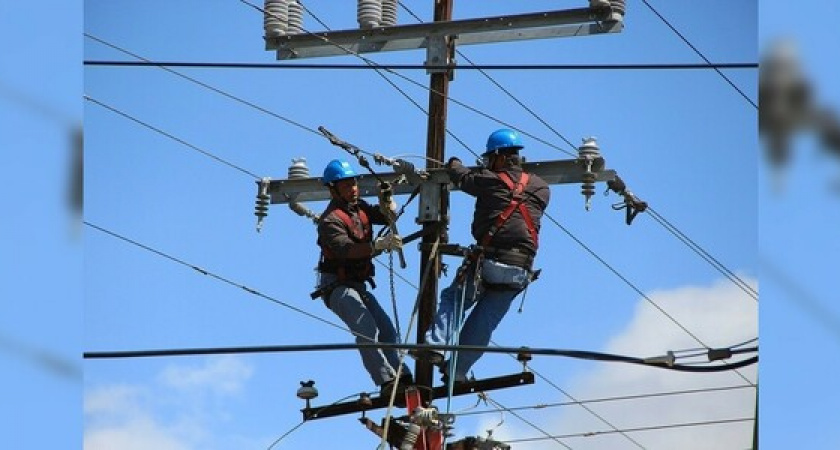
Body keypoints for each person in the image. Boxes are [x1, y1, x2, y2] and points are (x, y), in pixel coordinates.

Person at [423, 129, 550, 383]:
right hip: (520, 269)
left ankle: (435, 346)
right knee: (485, 321)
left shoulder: (490, 180)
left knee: (456, 299)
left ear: (500, 157)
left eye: (490, 159)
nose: (488, 164)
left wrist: (454, 163)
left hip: (489, 261)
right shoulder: (541, 187)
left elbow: (461, 177)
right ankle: (457, 370)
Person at [315, 159, 413, 396]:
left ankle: (402, 375)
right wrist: (378, 245)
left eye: (354, 183)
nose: (353, 188)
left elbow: (386, 216)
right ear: (333, 188)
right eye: (347, 185)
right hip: (336, 287)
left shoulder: (359, 209)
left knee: (387, 330)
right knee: (366, 328)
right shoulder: (330, 220)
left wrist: (386, 201)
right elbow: (345, 249)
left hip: (357, 285)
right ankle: (386, 381)